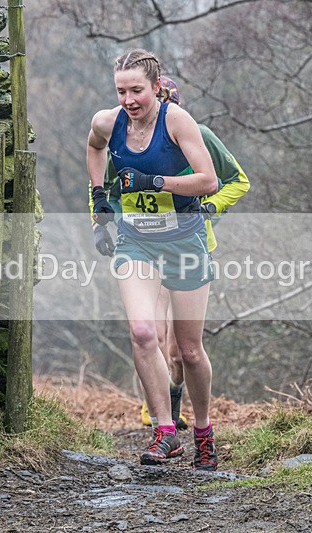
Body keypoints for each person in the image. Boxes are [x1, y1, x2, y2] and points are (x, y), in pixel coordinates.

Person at [91, 77, 251, 430]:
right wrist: (99, 220)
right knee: (151, 333)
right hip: (142, 244)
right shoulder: (126, 132)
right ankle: (161, 417)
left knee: (183, 350)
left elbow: (236, 181)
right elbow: (104, 178)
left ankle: (177, 394)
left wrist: (209, 209)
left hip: (190, 243)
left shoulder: (196, 133)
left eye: (167, 103)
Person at [87, 48, 219, 470]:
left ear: (157, 88)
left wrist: (153, 181)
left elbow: (210, 181)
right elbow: (93, 148)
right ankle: (165, 432)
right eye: (122, 91)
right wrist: (98, 198)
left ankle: (202, 431)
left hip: (183, 240)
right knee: (143, 333)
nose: (129, 100)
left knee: (189, 350)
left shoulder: (177, 121)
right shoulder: (108, 122)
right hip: (136, 241)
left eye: (137, 90)